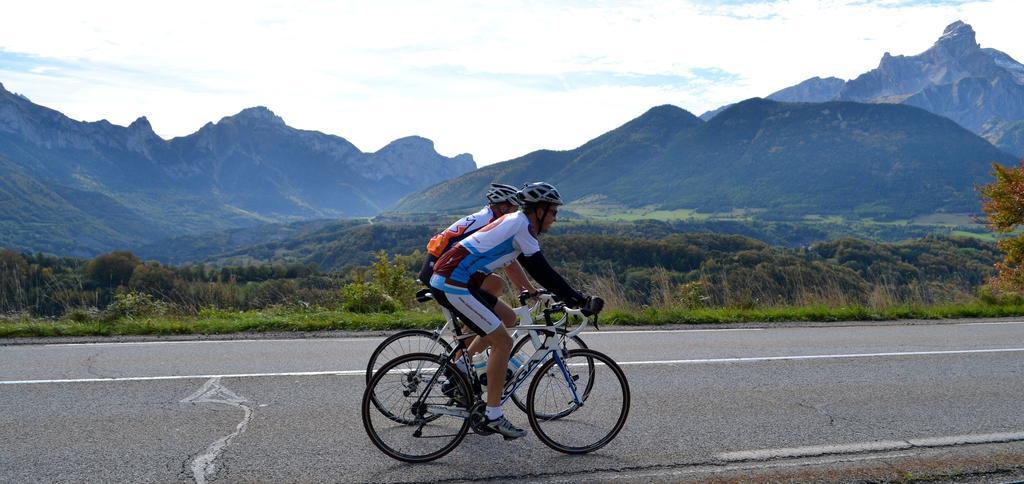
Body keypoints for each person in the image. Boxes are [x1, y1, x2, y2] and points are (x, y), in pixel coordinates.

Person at [429, 182, 600, 439]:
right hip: (453, 282)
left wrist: (534, 291)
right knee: (504, 342)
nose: (555, 218)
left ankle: (461, 372)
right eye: (553, 212)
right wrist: (578, 298)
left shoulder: (516, 223)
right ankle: (493, 415)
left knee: (508, 318)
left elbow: (518, 263)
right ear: (539, 210)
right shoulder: (521, 226)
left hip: (460, 279)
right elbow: (542, 269)